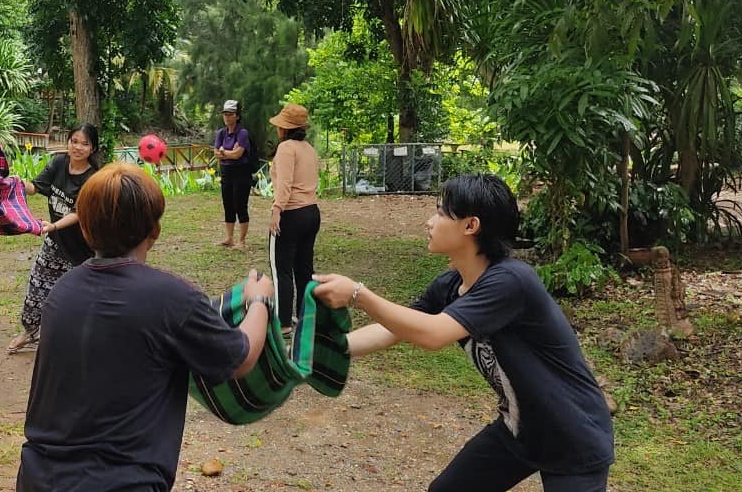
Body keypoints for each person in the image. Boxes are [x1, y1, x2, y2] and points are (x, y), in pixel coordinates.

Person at [312, 174, 615, 492]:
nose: (430, 222)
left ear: (471, 226)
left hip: (573, 434)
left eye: (441, 213)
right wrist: (326, 349)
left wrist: (358, 295)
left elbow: (433, 334)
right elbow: (394, 330)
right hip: (520, 429)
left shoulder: (510, 281)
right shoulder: (450, 286)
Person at [17, 162, 273, 491]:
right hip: (121, 483)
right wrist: (259, 301)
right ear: (155, 231)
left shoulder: (62, 290)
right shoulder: (173, 298)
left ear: (85, 230)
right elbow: (240, 359)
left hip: (39, 478)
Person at [7, 123, 102, 354]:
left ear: (93, 148)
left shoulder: (93, 178)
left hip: (82, 250)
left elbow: (79, 213)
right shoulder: (59, 163)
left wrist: (53, 226)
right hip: (55, 243)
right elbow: (35, 187)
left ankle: (85, 342)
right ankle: (30, 332)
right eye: (74, 141)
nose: (78, 147)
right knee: (36, 289)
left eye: (84, 144)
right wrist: (16, 183)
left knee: (79, 299)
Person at [267, 103, 320, 328]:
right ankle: (305, 316)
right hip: (311, 212)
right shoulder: (309, 149)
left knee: (281, 269)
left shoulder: (286, 148)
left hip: (291, 213)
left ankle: (283, 321)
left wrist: (277, 209)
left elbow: (285, 184)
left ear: (284, 128)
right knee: (304, 267)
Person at [213, 99, 252, 249]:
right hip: (227, 173)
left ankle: (242, 241)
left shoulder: (242, 133)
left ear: (237, 116)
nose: (227, 117)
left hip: (241, 173)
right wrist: (228, 153)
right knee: (228, 205)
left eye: (230, 114)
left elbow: (238, 154)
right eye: (225, 114)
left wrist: (224, 152)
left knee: (240, 205)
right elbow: (216, 153)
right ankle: (229, 238)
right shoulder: (221, 133)